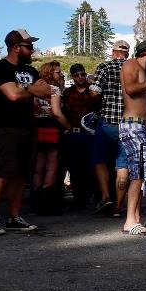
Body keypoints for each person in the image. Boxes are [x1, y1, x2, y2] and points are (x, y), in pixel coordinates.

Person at [0, 29, 54, 235]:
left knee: (21, 174)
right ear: (16, 48)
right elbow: (12, 95)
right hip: (5, 128)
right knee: (3, 172)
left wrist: (27, 89)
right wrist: (31, 89)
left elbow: (46, 92)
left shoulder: (30, 71)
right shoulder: (0, 69)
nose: (32, 50)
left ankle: (14, 216)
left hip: (28, 127)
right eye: (29, 46)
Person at [118, 40, 146, 236]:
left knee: (142, 173)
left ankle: (137, 219)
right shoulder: (130, 64)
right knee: (137, 172)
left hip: (142, 126)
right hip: (132, 124)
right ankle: (129, 220)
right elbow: (130, 89)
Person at [89, 40, 128, 215]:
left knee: (99, 160)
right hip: (128, 124)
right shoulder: (133, 68)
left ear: (113, 52)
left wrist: (98, 106)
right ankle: (118, 207)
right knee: (122, 165)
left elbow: (94, 92)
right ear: (127, 53)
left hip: (107, 122)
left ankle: (106, 197)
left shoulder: (104, 67)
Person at [31, 61, 71, 215]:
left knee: (38, 166)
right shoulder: (53, 89)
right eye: (57, 72)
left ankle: (36, 201)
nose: (60, 74)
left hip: (36, 126)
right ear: (49, 73)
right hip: (51, 126)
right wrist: (67, 127)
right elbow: (57, 112)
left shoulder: (35, 88)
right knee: (52, 165)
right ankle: (47, 203)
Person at [61, 63, 98, 209]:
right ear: (72, 77)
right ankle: (79, 198)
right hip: (73, 132)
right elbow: (63, 112)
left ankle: (90, 196)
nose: (80, 77)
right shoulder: (68, 92)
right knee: (74, 167)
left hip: (90, 133)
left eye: (82, 74)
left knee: (91, 166)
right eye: (77, 75)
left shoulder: (92, 91)